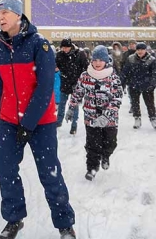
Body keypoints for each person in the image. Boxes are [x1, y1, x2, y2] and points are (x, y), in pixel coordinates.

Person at [0, 0, 75, 239]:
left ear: (18, 15)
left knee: (49, 173)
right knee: (6, 171)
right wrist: (6, 110)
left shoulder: (40, 44)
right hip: (9, 120)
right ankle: (14, 219)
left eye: (5, 12)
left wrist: (28, 121)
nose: (1, 17)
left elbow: (45, 86)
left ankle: (64, 224)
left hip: (41, 122)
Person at [66, 45, 123, 181]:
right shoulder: (86, 75)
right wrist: (71, 107)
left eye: (100, 60)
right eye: (95, 60)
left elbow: (117, 97)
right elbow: (78, 92)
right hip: (91, 116)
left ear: (106, 61)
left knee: (110, 142)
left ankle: (106, 155)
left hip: (110, 118)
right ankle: (92, 167)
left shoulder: (113, 77)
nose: (97, 63)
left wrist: (106, 115)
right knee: (92, 144)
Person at [56, 37, 88, 134]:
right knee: (62, 103)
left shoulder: (80, 54)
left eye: (66, 47)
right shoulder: (60, 55)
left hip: (76, 83)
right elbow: (57, 65)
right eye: (63, 48)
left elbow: (85, 67)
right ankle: (58, 121)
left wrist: (82, 80)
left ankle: (74, 125)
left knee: (74, 105)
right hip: (65, 82)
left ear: (71, 47)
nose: (64, 50)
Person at [121, 42, 156, 129]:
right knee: (134, 103)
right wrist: (122, 83)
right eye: (138, 50)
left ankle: (153, 118)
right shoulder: (130, 59)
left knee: (150, 104)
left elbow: (154, 74)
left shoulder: (151, 59)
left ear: (145, 50)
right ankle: (137, 118)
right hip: (133, 84)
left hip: (147, 85)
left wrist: (152, 84)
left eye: (142, 50)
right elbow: (125, 72)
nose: (140, 51)